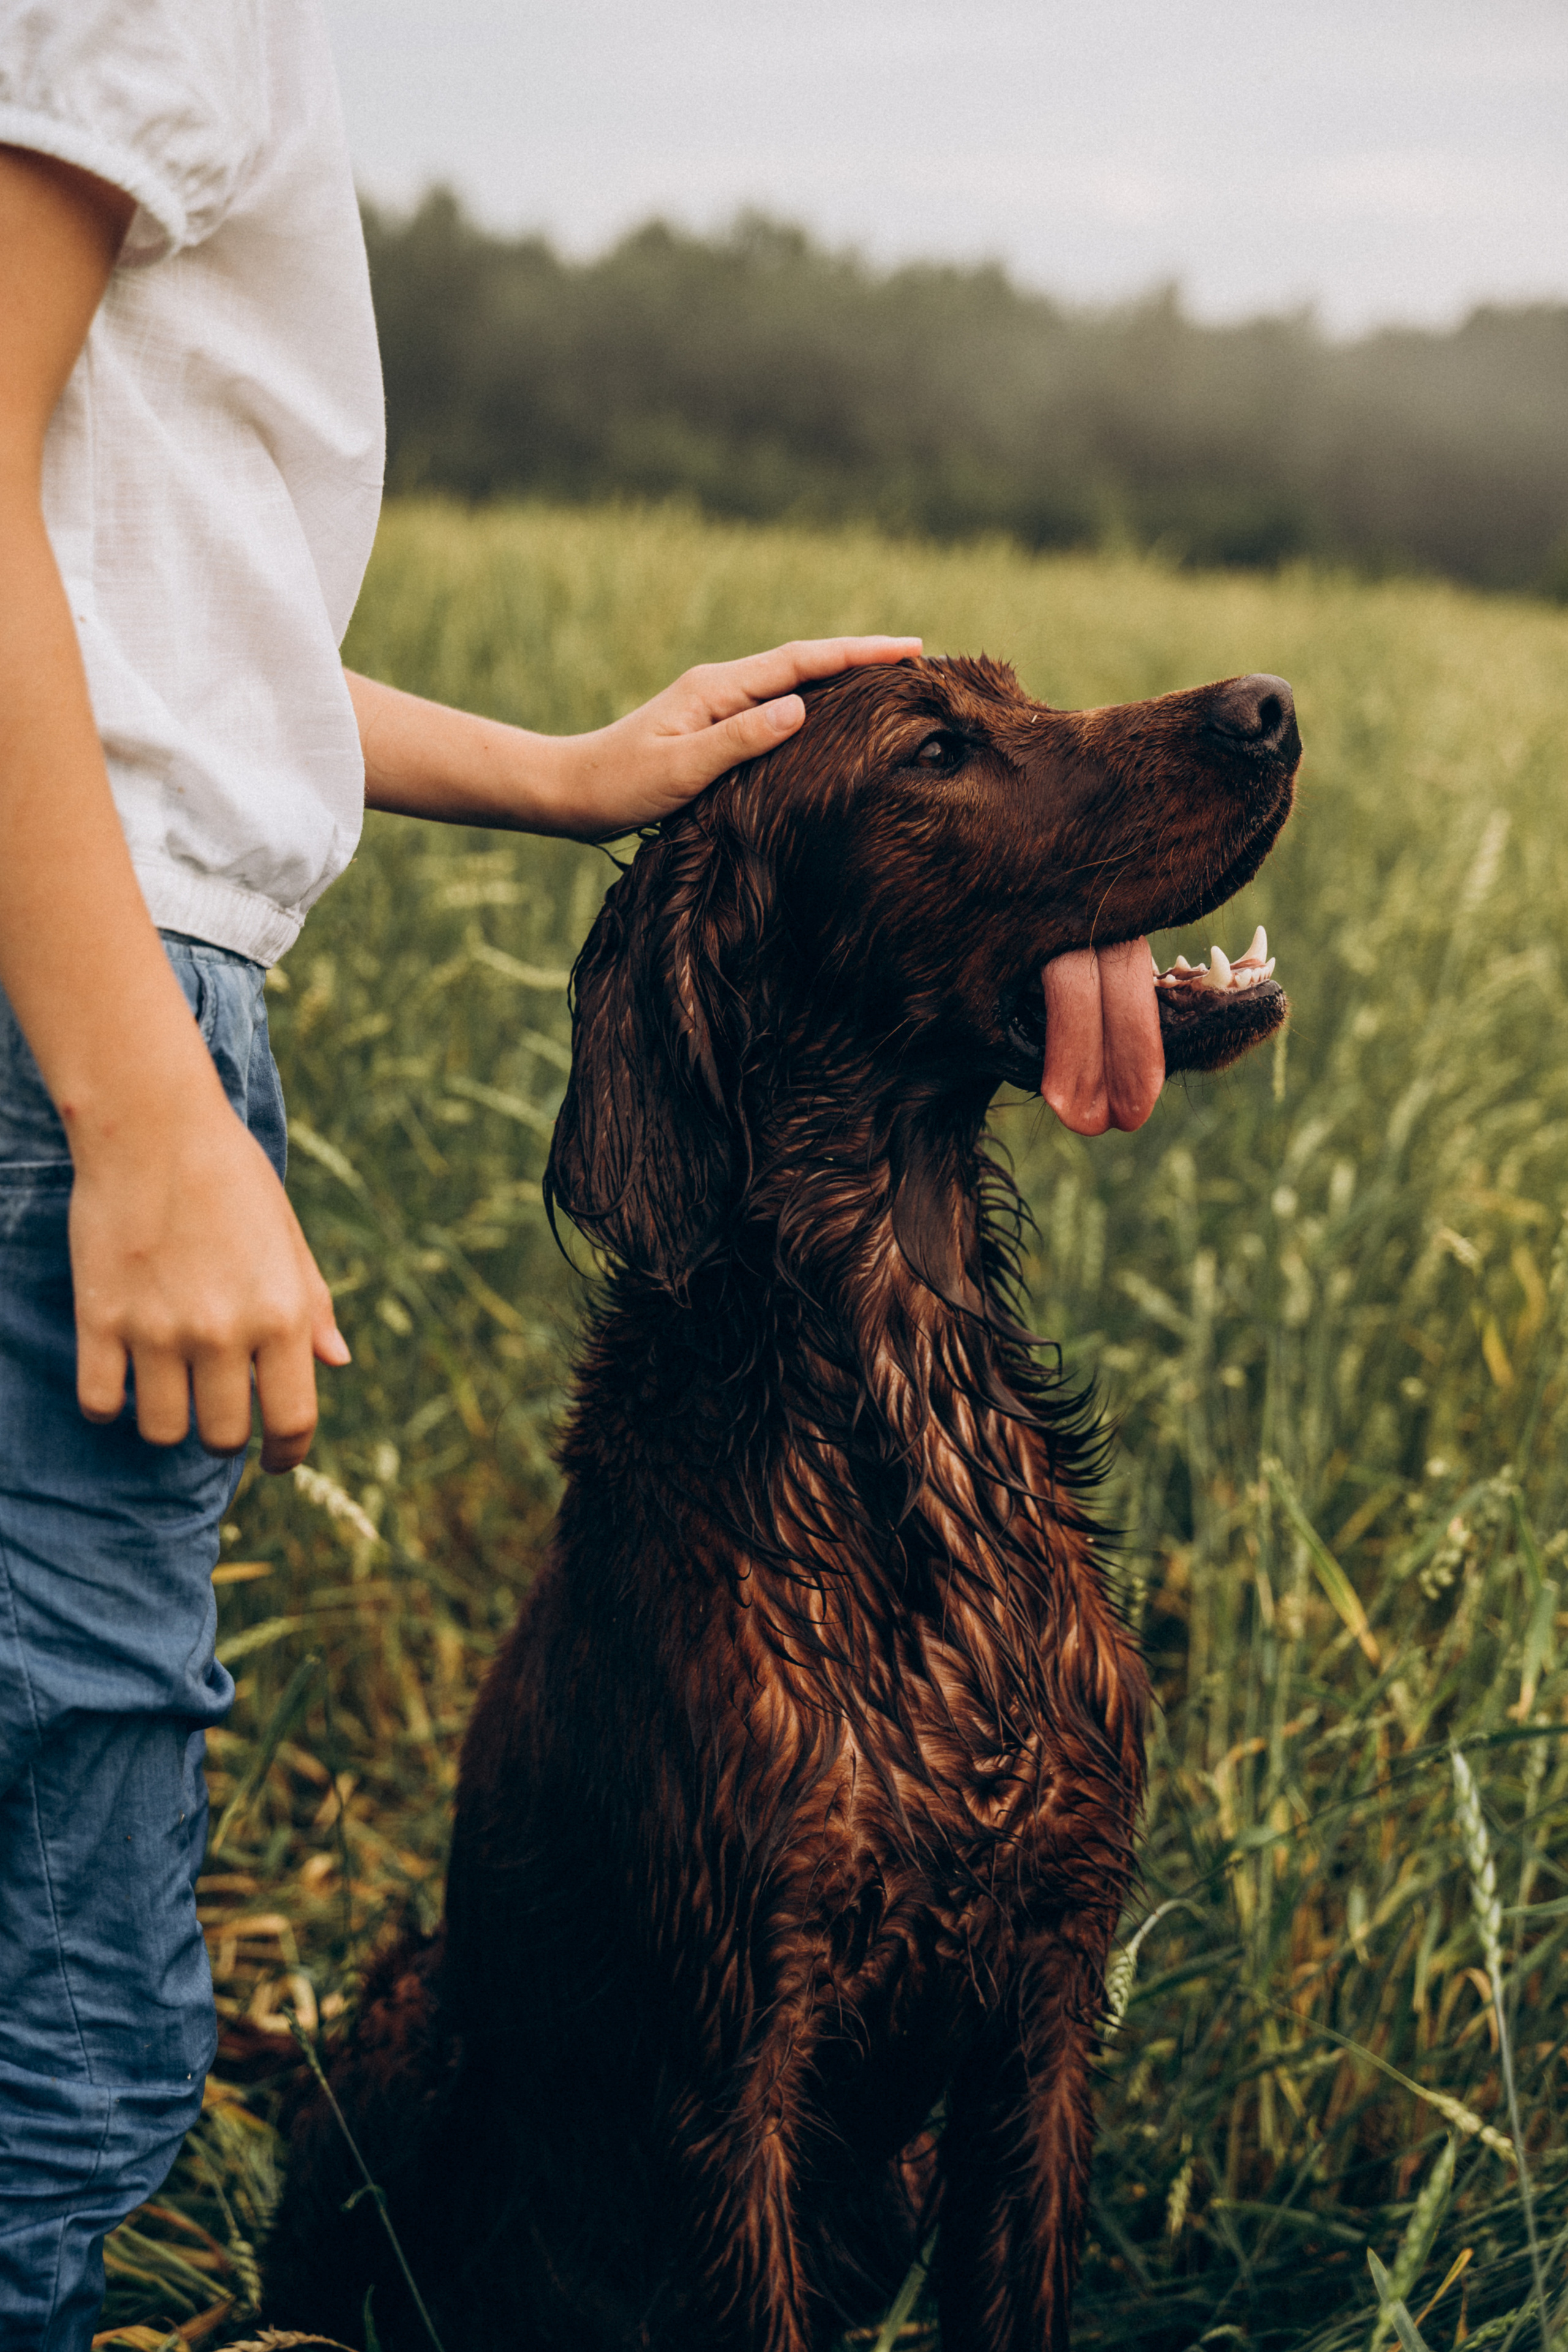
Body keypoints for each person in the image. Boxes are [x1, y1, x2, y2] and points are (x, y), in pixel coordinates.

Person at [0, 4, 918, 2336]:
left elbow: (142, 622)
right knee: (61, 2019)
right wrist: (137, 1113)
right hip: (70, 992)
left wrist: (560, 766)